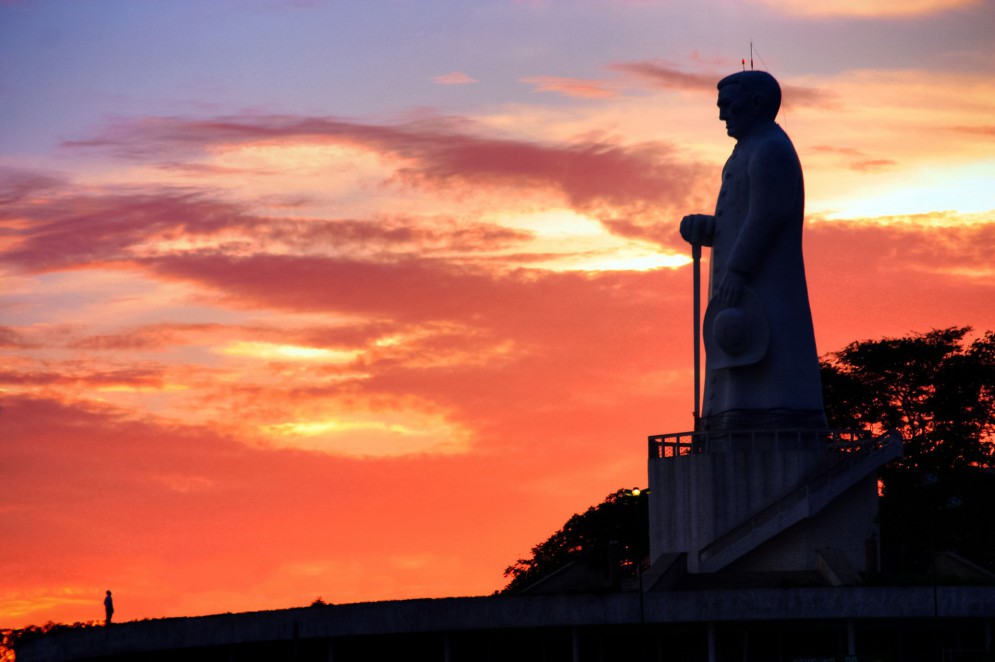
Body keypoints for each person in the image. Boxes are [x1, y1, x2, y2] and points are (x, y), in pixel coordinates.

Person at [680, 71, 825, 431]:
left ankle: (773, 418)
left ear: (757, 103)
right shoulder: (748, 149)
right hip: (742, 281)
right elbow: (743, 217)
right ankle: (735, 418)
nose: (722, 115)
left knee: (768, 350)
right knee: (740, 358)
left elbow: (769, 214)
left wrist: (739, 270)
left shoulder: (771, 148)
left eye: (727, 105)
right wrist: (708, 227)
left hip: (764, 281)